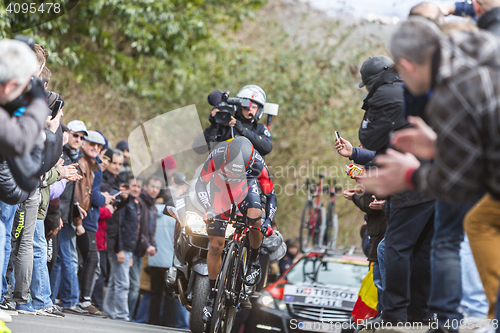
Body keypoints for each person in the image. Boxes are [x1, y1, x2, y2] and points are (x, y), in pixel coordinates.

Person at [359, 16, 500, 322]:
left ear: (407, 65)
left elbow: (458, 181)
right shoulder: (482, 55)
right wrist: (437, 147)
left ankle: (440, 317)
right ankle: (433, 316)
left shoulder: (450, 93)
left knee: (458, 236)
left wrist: (410, 174)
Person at [195, 137, 277, 323]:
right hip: (220, 191)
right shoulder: (216, 155)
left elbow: (271, 196)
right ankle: (210, 294)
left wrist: (268, 222)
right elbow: (201, 184)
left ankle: (254, 260)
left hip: (245, 189)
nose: (233, 173)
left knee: (256, 216)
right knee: (215, 245)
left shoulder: (257, 163)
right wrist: (208, 207)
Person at [50, 120, 89, 314]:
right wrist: (57, 214)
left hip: (66, 213)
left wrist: (75, 206)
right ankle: (69, 300)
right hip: (56, 213)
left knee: (60, 257)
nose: (78, 139)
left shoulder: (77, 156)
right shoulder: (60, 154)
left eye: (82, 137)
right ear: (67, 134)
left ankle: (54, 298)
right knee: (66, 258)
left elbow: (70, 190)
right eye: (76, 135)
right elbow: (55, 187)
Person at [75, 130, 110, 316]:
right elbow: (92, 195)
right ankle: (82, 300)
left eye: (99, 146)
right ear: (83, 143)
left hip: (86, 218)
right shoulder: (84, 163)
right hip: (84, 218)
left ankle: (75, 298)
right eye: (92, 144)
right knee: (90, 258)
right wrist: (105, 199)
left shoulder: (94, 164)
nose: (95, 148)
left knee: (78, 259)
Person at [201, 85, 273, 156]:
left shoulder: (259, 128)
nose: (250, 109)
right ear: (239, 106)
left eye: (254, 106)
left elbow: (267, 147)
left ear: (259, 110)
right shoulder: (227, 125)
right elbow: (201, 149)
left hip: (250, 167)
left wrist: (243, 131)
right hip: (223, 166)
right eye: (246, 106)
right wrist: (214, 126)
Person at [129, 176, 159, 320]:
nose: (154, 190)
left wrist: (153, 246)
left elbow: (151, 231)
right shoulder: (140, 201)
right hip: (133, 247)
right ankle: (125, 316)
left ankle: (127, 315)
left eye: (157, 187)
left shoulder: (153, 207)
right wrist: (147, 245)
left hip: (141, 250)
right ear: (145, 187)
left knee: (133, 286)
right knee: (132, 286)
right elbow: (137, 229)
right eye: (152, 186)